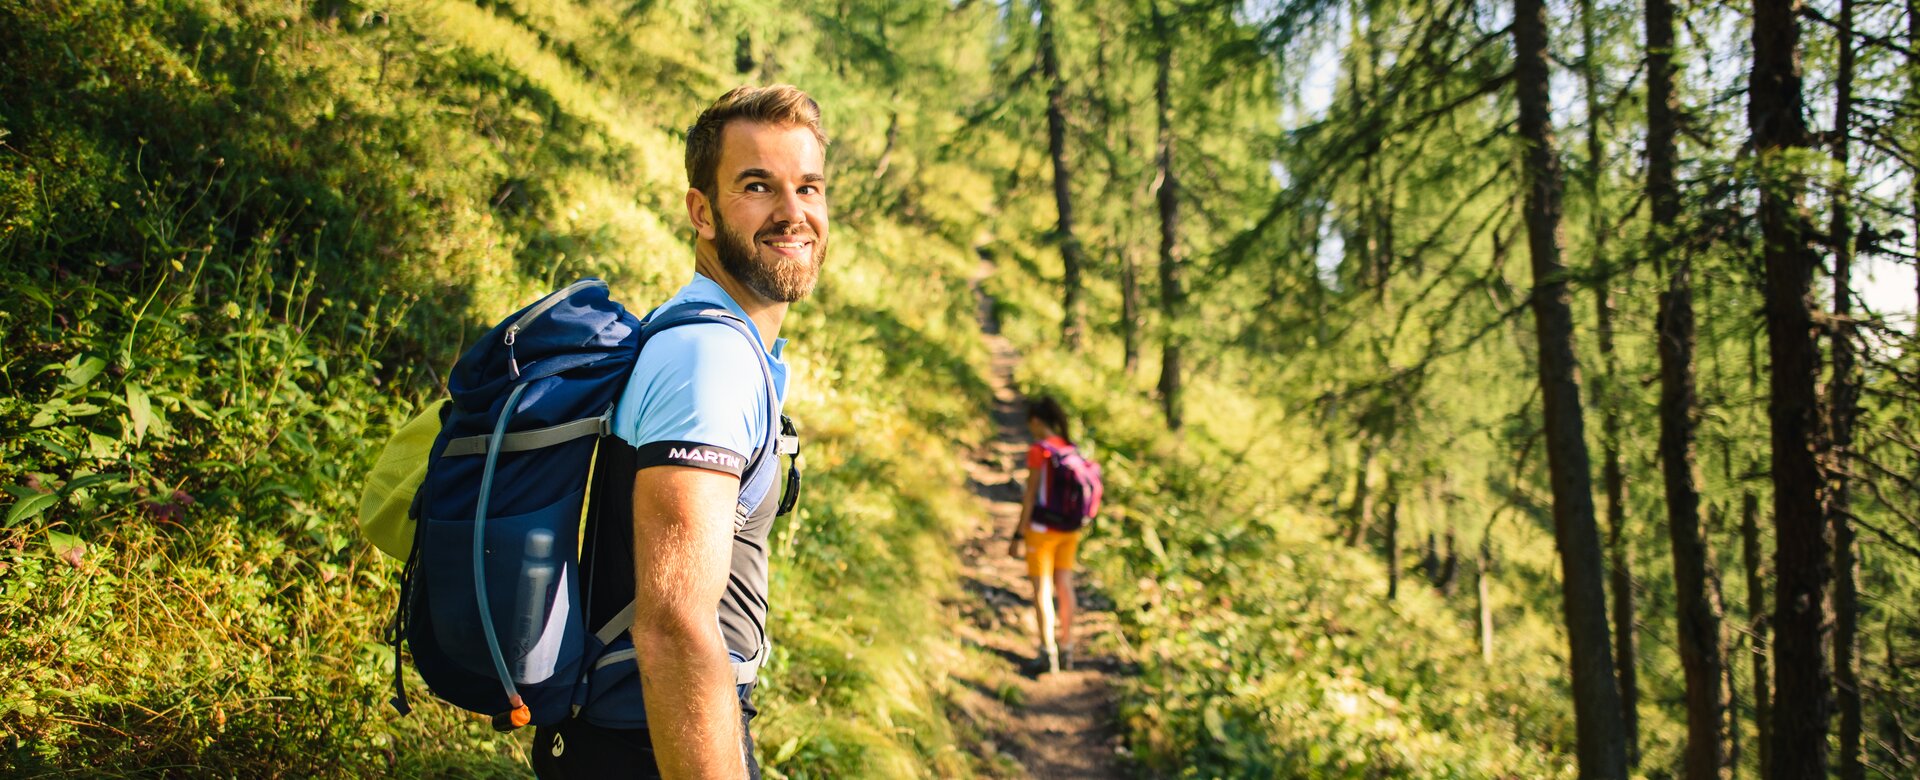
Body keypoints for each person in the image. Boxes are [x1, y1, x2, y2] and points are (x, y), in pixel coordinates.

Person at [530, 84, 830, 779]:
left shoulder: (721, 344)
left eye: (808, 187)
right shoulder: (710, 362)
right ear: (702, 210)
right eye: (758, 186)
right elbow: (672, 626)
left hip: (651, 731)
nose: (794, 214)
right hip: (649, 747)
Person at [1006, 396, 1083, 674]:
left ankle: (1046, 650)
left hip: (1042, 530)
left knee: (1042, 590)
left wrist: (1018, 534)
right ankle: (1068, 646)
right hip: (1070, 530)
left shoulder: (1041, 451)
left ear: (1036, 422)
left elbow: (1030, 496)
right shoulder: (1071, 448)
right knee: (1065, 584)